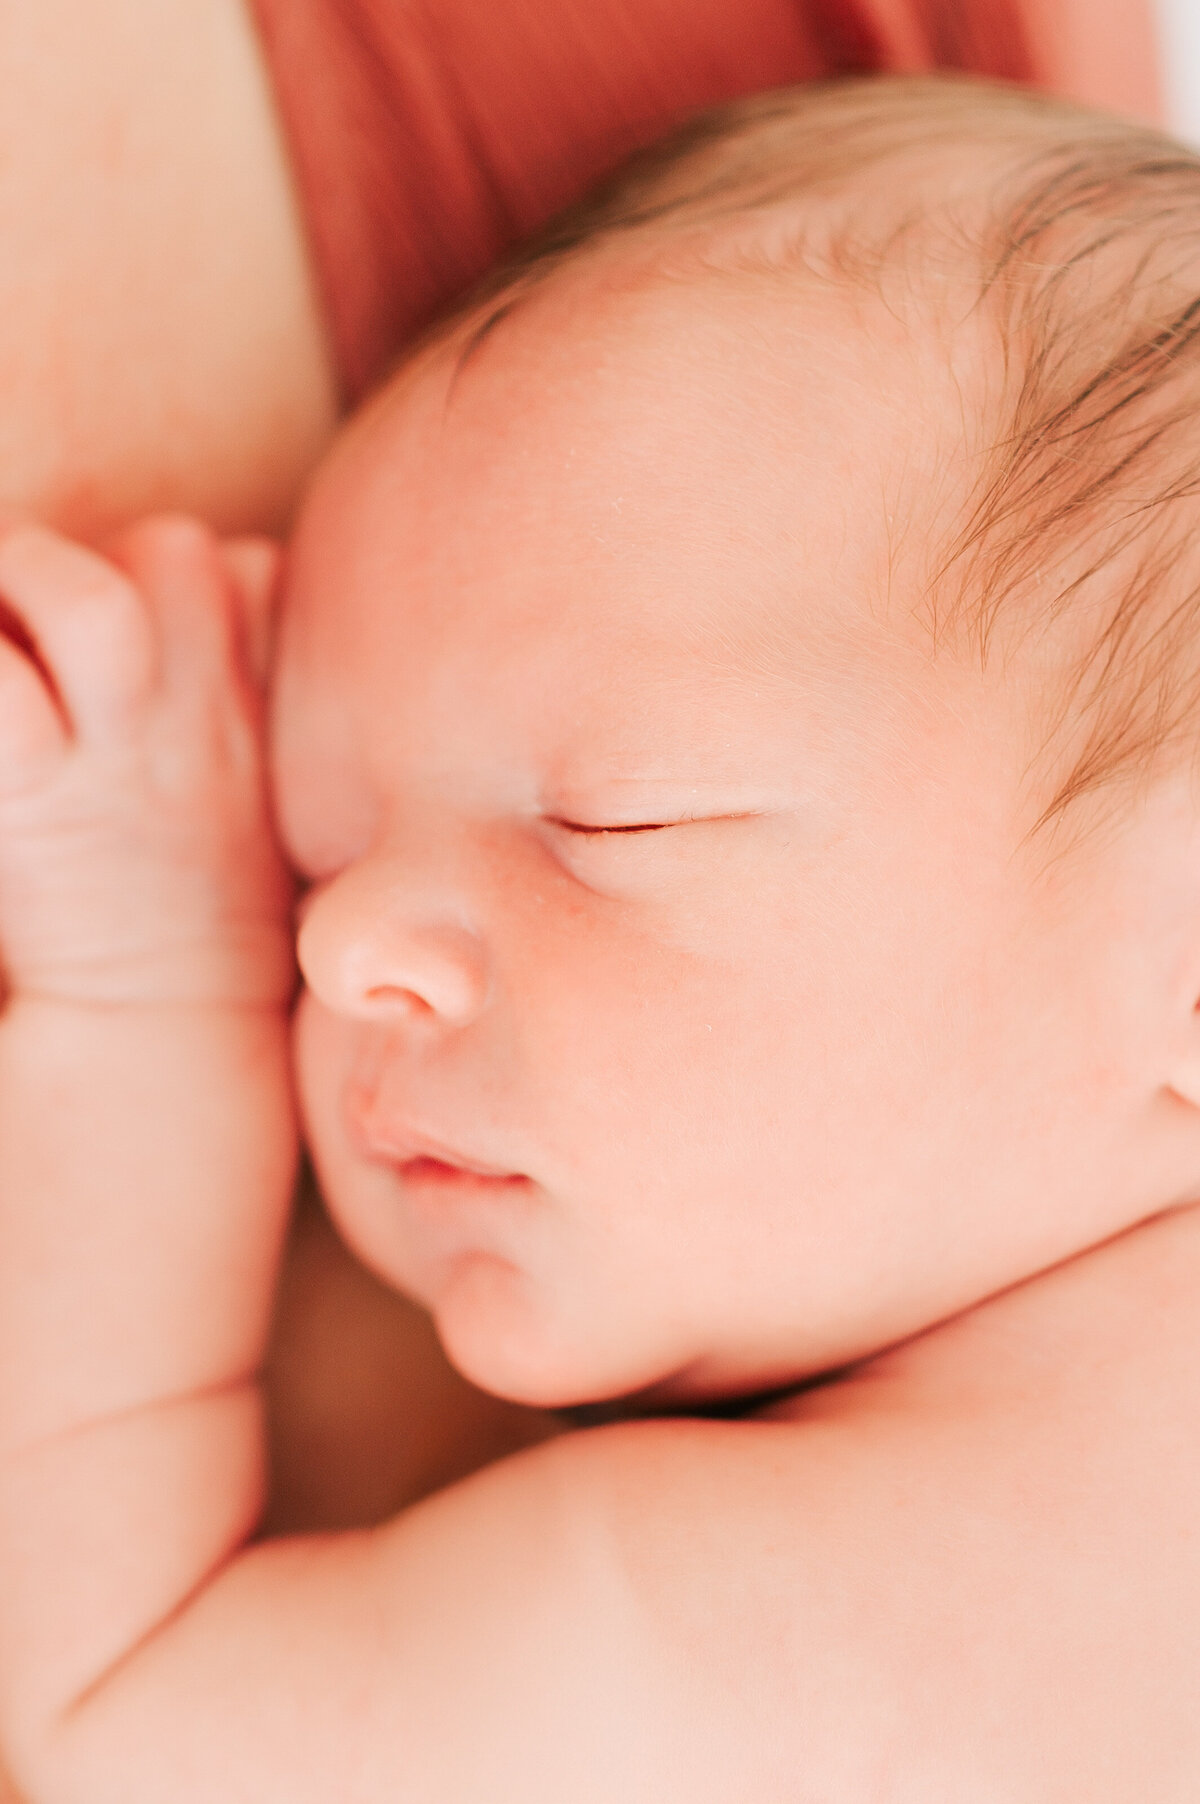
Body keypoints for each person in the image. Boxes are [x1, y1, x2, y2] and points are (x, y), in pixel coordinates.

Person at [3, 73, 1200, 1799]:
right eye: (311, 844)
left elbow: (113, 1702)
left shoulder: (742, 1623)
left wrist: (155, 983)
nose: (343, 948)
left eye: (615, 819)